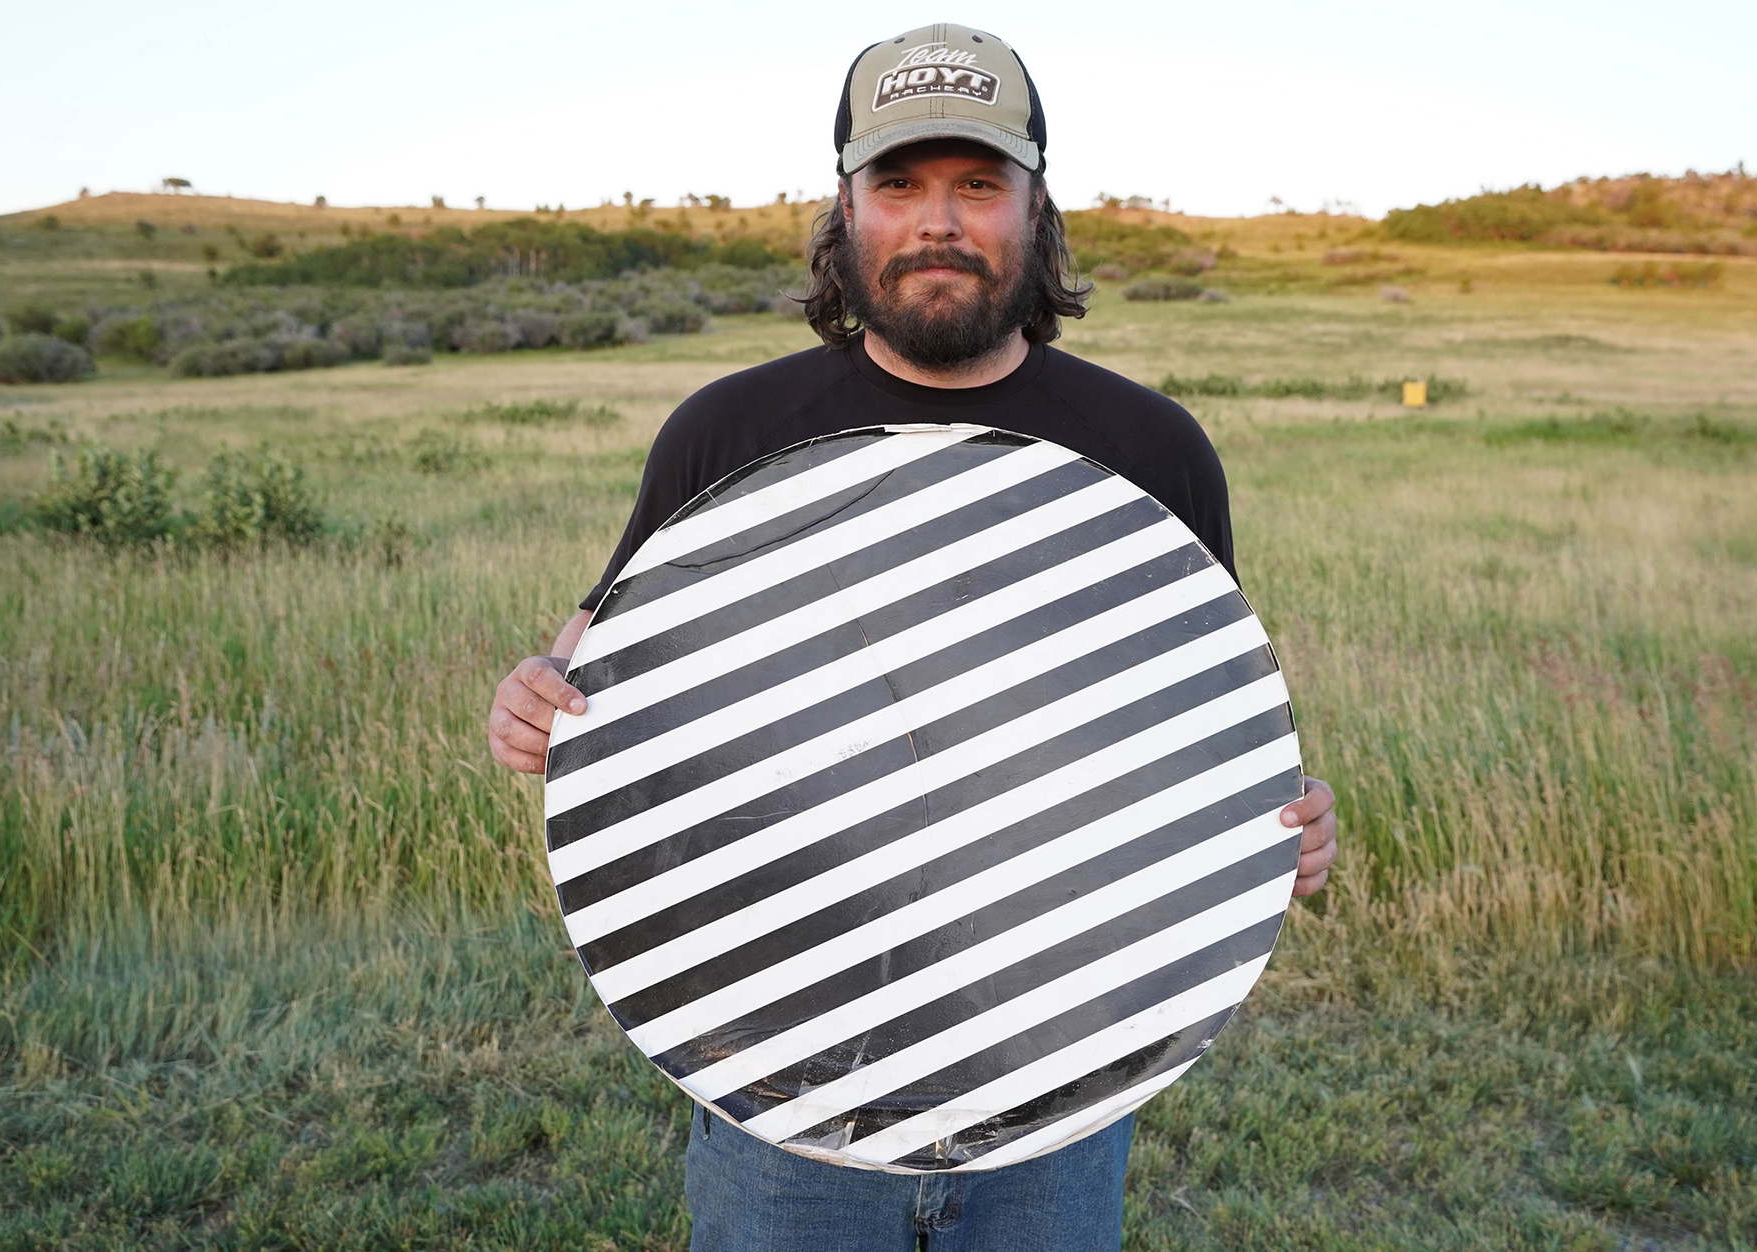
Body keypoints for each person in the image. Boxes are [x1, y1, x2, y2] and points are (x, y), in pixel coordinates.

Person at [488, 22, 1340, 1251]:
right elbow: (600, 675)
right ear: (844, 211)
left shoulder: (1151, 453)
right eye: (899, 184)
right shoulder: (726, 433)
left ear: (1035, 210)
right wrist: (533, 702)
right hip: (784, 1086)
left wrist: (1280, 825)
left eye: (976, 185)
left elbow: (1195, 722)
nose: (937, 220)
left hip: (1053, 1087)